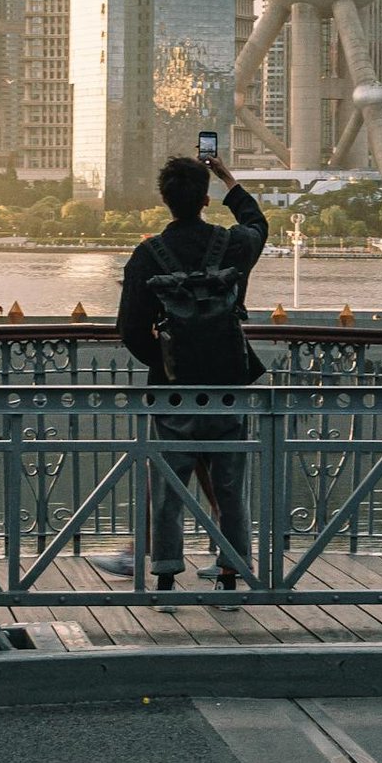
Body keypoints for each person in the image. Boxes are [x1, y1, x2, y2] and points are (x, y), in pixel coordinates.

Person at [115, 152, 269, 597]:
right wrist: (228, 179)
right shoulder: (232, 245)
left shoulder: (148, 255)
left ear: (165, 200)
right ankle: (229, 568)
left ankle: (164, 572)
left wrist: (165, 362)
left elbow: (129, 329)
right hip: (227, 384)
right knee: (230, 482)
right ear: (205, 199)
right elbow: (258, 224)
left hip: (174, 390)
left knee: (167, 481)